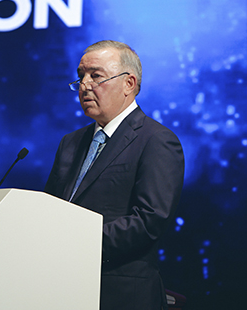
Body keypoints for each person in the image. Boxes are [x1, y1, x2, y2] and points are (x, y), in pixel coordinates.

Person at [44, 40, 184, 310]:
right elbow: (50, 208)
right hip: (62, 288)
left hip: (121, 294)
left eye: (96, 76)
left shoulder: (156, 140)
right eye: (81, 76)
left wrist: (76, 244)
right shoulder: (70, 143)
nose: (84, 85)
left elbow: (149, 220)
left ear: (129, 84)